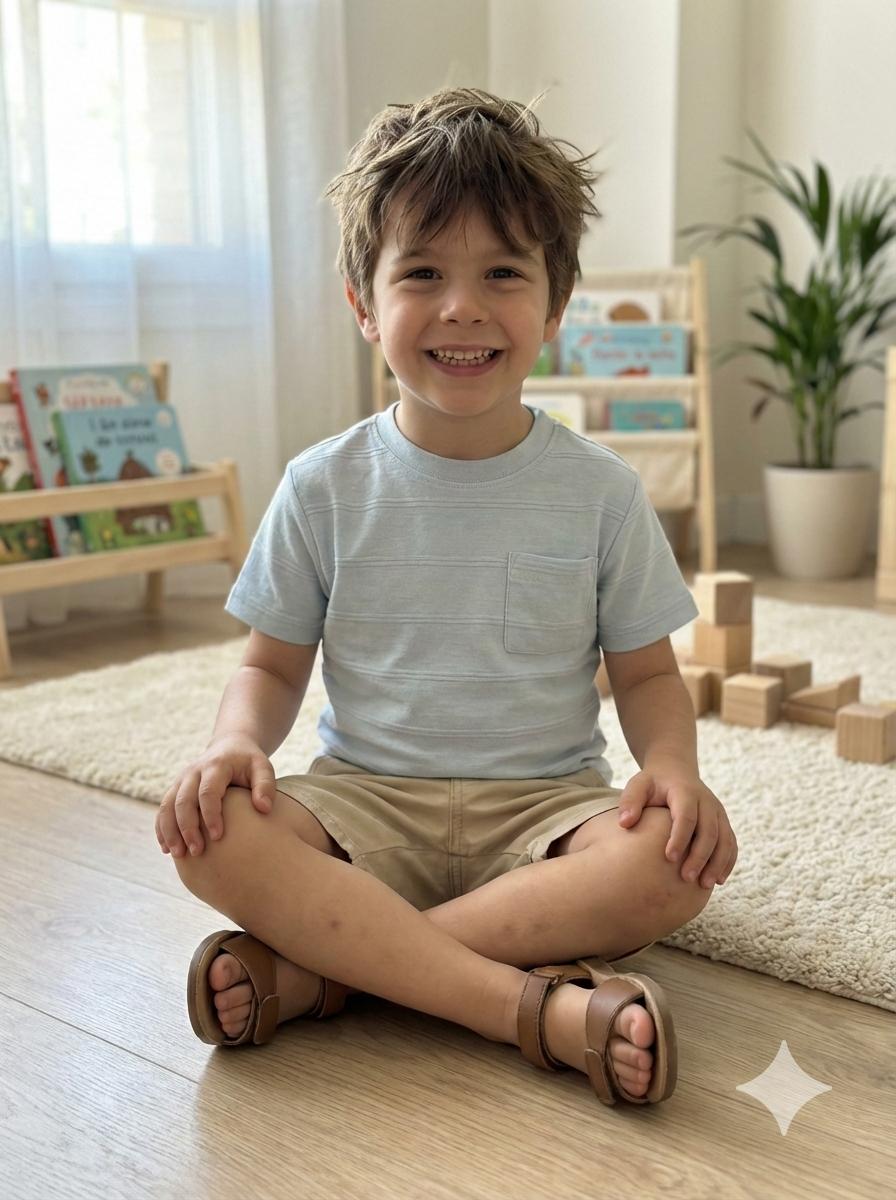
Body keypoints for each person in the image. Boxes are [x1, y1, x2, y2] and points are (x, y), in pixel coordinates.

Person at [155, 87, 738, 1108]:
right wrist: (230, 747)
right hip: (359, 804)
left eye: (501, 274)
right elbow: (268, 662)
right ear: (361, 304)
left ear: (554, 306)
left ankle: (324, 975)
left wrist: (673, 772)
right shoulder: (321, 485)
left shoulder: (600, 491)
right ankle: (523, 1009)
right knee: (210, 835)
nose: (461, 306)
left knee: (672, 865)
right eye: (420, 273)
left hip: (547, 810)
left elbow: (644, 674)